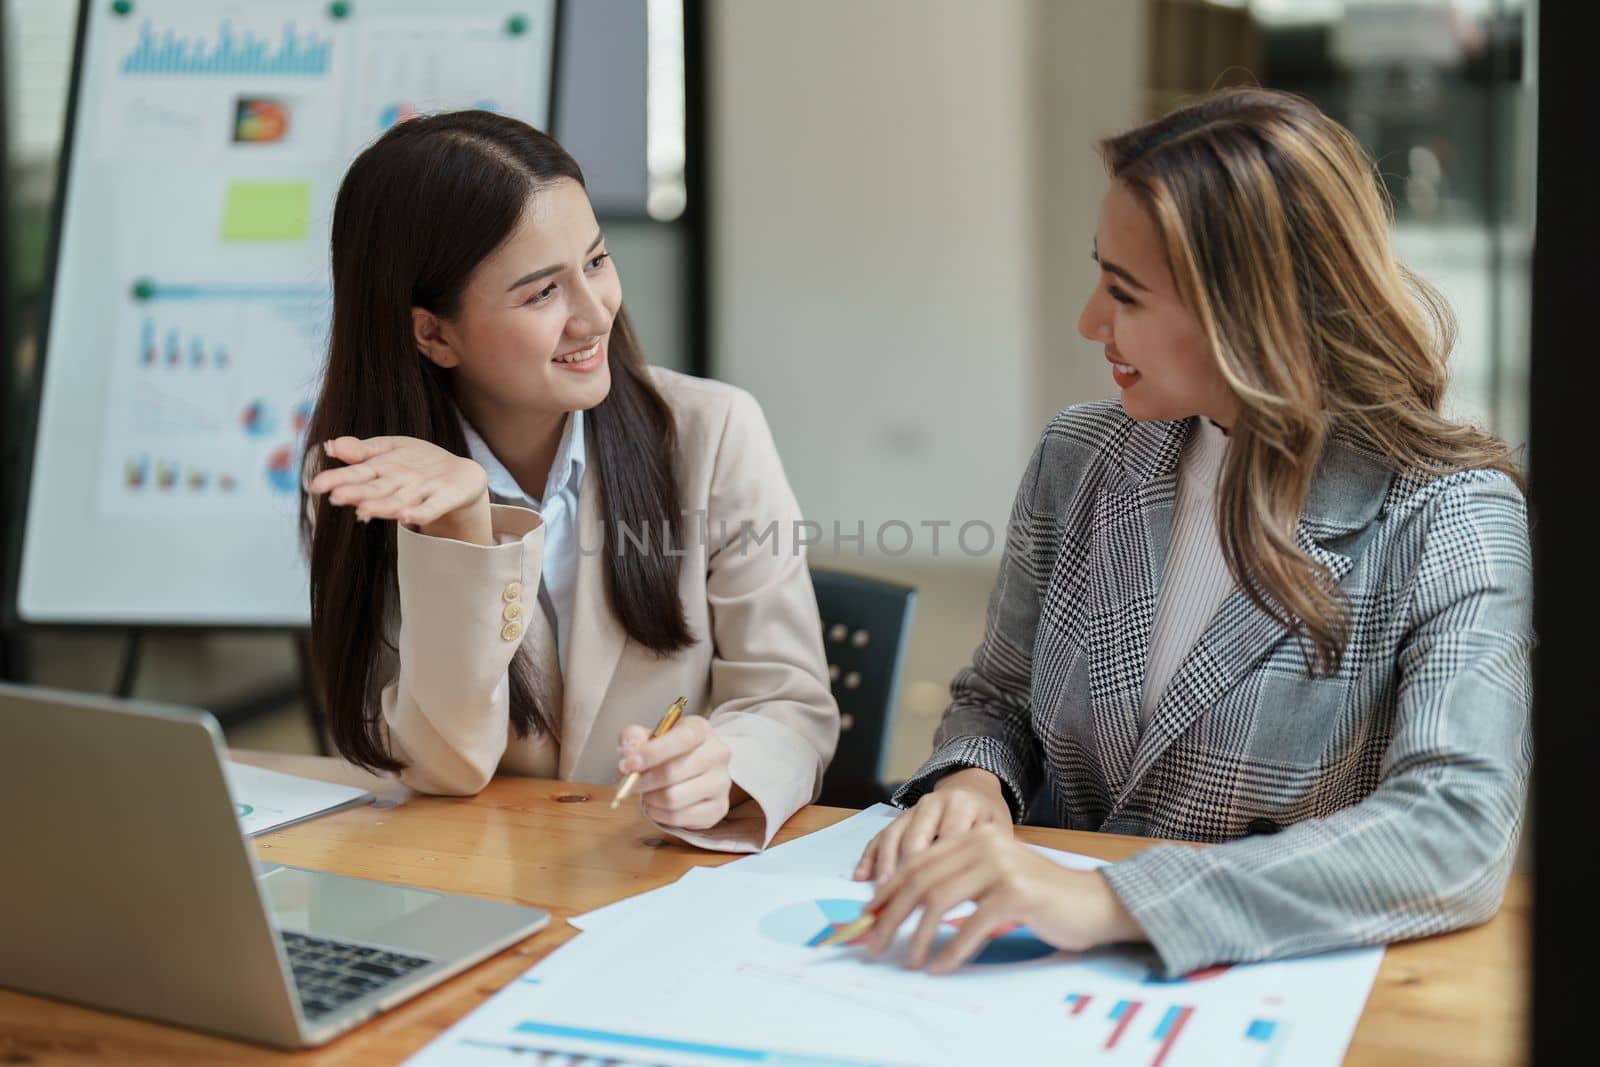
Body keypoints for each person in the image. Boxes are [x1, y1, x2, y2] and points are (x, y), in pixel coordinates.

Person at [854, 87, 1532, 976]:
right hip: (1028, 977)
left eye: (1125, 293)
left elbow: (1456, 830)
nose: (1090, 321)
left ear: (1252, 314)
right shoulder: (1081, 454)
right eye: (1099, 274)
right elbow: (999, 696)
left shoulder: (1452, 513)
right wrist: (974, 779)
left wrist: (1112, 900)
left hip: (1261, 985)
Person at [300, 111, 838, 852]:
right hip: (472, 874)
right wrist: (463, 535)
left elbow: (789, 699)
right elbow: (439, 765)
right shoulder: (371, 480)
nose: (594, 315)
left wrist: (725, 767)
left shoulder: (713, 432)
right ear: (433, 333)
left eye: (595, 262)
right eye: (540, 293)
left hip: (657, 876)